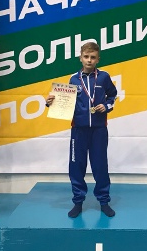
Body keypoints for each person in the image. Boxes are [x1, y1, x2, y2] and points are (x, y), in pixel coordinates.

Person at [46, 42, 118, 218]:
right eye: (86, 57)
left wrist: (107, 106)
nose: (89, 60)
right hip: (78, 130)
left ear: (98, 59)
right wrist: (51, 103)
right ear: (80, 58)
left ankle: (104, 201)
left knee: (100, 165)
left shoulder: (104, 77)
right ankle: (78, 202)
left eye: (93, 57)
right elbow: (66, 103)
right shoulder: (73, 79)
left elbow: (113, 95)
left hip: (99, 130)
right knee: (76, 166)